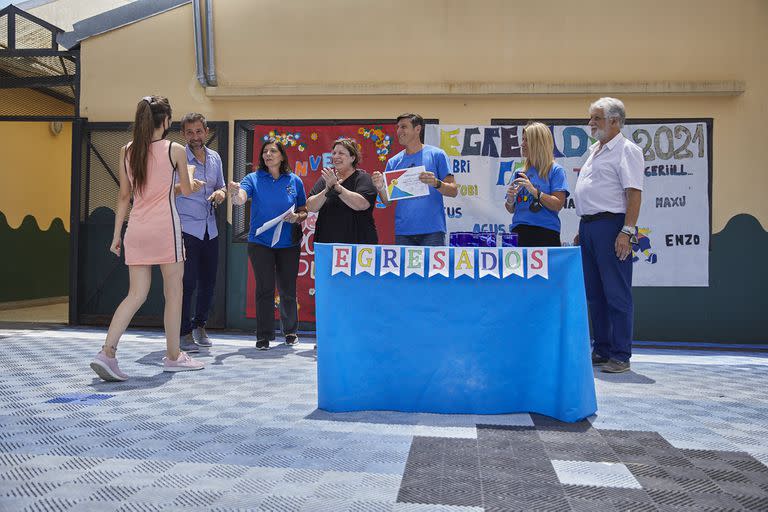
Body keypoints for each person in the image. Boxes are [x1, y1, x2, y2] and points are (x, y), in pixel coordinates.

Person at [90, 96, 205, 382]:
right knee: (173, 294)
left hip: (137, 229)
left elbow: (124, 197)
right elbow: (187, 191)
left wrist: (117, 234)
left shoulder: (127, 150)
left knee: (135, 295)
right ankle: (174, 356)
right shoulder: (175, 150)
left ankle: (107, 352)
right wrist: (188, 184)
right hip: (165, 229)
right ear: (165, 121)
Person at [574, 97, 644, 374]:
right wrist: (583, 228)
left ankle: (620, 354)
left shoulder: (627, 150)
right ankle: (601, 349)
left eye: (597, 118)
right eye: (591, 117)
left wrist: (627, 231)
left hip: (612, 225)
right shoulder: (595, 150)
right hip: (589, 226)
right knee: (593, 293)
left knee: (616, 292)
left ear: (615, 121)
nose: (591, 123)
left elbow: (634, 192)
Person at [228, 138, 308, 350]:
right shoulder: (252, 178)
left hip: (288, 243)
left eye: (273, 151)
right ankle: (263, 336)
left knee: (287, 289)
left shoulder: (294, 181)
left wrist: (297, 217)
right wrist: (236, 193)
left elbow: (304, 210)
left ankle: (290, 331)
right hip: (260, 242)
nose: (268, 155)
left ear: (282, 156)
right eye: (265, 152)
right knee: (264, 289)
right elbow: (241, 198)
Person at [174, 113, 225, 352]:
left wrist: (221, 194)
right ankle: (183, 332)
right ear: (184, 135)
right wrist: (185, 187)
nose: (195, 137)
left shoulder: (215, 158)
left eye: (199, 131)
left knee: (208, 282)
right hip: (186, 228)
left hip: (210, 229)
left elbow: (221, 186)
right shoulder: (177, 157)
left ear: (206, 131)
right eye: (189, 132)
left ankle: (199, 325)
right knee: (187, 283)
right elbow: (166, 190)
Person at [372, 113, 458, 246]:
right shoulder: (393, 162)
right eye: (398, 127)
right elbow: (387, 201)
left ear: (417, 129)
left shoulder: (437, 154)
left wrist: (436, 183)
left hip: (432, 231)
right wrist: (380, 187)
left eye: (404, 127)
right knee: (405, 268)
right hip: (404, 232)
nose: (399, 131)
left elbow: (453, 191)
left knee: (432, 268)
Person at [504, 122, 569, 247]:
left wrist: (534, 191)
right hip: (519, 231)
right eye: (522, 139)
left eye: (526, 140)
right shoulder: (520, 172)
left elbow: (557, 204)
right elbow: (510, 209)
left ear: (539, 143)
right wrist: (511, 200)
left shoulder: (556, 170)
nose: (522, 144)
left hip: (545, 233)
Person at [306, 138, 378, 244]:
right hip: (327, 244)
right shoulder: (326, 178)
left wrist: (337, 188)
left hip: (358, 245)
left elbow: (362, 204)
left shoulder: (364, 178)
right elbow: (310, 207)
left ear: (352, 158)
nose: (336, 156)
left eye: (341, 153)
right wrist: (327, 189)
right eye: (334, 153)